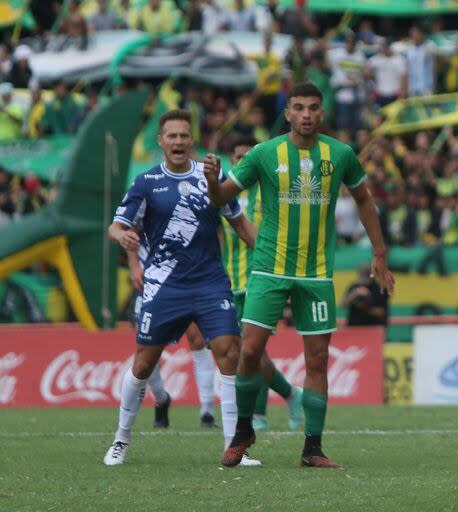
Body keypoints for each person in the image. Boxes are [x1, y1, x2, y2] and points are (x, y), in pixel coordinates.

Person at [205, 82, 394, 468]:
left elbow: (363, 200)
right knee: (251, 350)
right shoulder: (263, 154)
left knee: (318, 359)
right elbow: (220, 198)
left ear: (321, 113)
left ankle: (313, 448)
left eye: (312, 107)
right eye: (298, 108)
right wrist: (211, 180)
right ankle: (243, 431)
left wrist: (379, 251)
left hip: (316, 273)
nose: (306, 114)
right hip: (269, 268)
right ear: (287, 113)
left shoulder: (340, 154)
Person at [103, 109, 255, 466]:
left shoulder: (211, 179)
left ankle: (234, 448)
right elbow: (116, 225)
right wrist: (121, 235)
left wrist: (268, 256)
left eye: (184, 135)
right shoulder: (145, 182)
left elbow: (240, 224)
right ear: (161, 141)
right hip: (164, 286)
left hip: (210, 284)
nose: (178, 142)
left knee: (229, 353)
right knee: (143, 365)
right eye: (171, 136)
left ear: (192, 139)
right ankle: (121, 439)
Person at [219, 137, 304, 432]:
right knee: (246, 350)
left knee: (251, 350)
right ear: (232, 160)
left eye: (249, 156)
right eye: (239, 156)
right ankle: (290, 395)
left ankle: (260, 414)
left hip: (261, 279)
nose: (244, 162)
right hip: (230, 283)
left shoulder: (267, 193)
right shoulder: (224, 196)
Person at [126, 233, 220, 430]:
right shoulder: (142, 203)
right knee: (145, 350)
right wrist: (134, 266)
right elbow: (123, 230)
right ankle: (162, 398)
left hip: (185, 278)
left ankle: (207, 412)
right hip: (148, 280)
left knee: (198, 339)